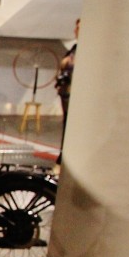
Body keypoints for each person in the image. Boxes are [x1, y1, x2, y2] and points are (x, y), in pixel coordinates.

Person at [55, 18, 79, 165]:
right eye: (76, 28)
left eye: (79, 28)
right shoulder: (74, 48)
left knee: (72, 126)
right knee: (67, 124)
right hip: (66, 91)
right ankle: (64, 155)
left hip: (74, 93)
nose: (76, 31)